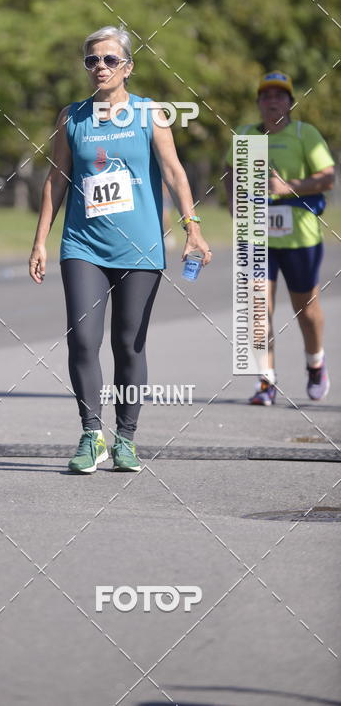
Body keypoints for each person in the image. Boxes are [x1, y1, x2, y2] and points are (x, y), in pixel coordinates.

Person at [28, 25, 211, 473]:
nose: (101, 68)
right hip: (83, 244)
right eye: (92, 60)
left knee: (129, 345)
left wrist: (193, 229)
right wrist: (40, 240)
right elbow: (56, 178)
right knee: (83, 340)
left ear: (128, 67)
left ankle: (125, 437)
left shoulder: (151, 114)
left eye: (110, 60)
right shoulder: (72, 117)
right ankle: (92, 436)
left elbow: (174, 172)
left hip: (141, 248)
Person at [224, 71, 335, 405]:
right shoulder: (244, 134)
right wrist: (232, 202)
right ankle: (266, 382)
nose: (273, 100)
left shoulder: (305, 134)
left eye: (280, 95)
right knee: (258, 307)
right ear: (259, 102)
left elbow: (327, 178)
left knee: (307, 310)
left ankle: (315, 362)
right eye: (266, 95)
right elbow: (230, 172)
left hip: (299, 236)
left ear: (290, 102)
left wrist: (289, 187)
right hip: (257, 235)